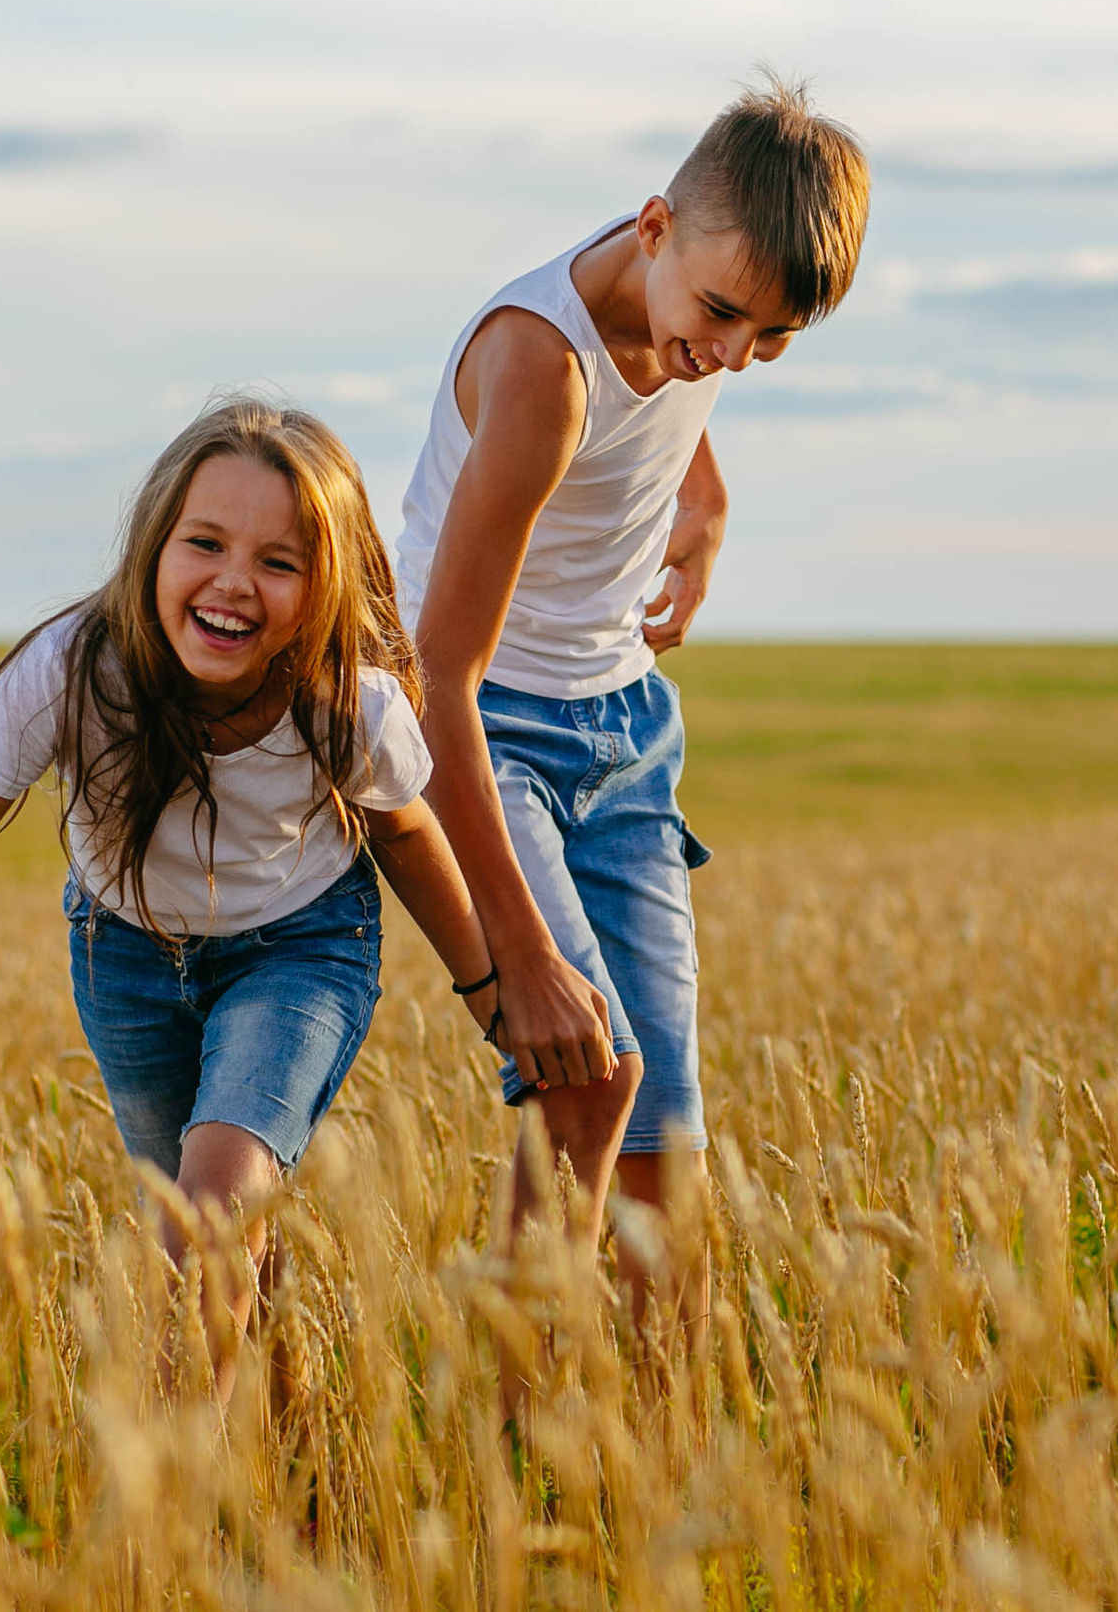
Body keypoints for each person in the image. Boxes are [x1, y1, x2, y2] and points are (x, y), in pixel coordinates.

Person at [0, 394, 500, 1388]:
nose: (233, 583)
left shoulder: (347, 704)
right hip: (122, 957)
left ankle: (167, 1503)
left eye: (279, 562)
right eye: (204, 542)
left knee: (212, 1215)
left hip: (301, 947)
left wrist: (496, 999)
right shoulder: (69, 675)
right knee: (213, 1238)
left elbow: (409, 837)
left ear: (324, 587)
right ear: (153, 546)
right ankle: (306, 1493)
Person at [395, 73, 870, 1328]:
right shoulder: (537, 371)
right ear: (652, 224)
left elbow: (682, 383)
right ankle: (511, 1455)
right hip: (486, 734)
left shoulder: (698, 298)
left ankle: (655, 1470)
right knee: (586, 1080)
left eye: (771, 339)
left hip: (627, 730)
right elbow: (435, 674)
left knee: (667, 1147)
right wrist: (525, 956)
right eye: (723, 315)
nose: (732, 355)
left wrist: (706, 504)